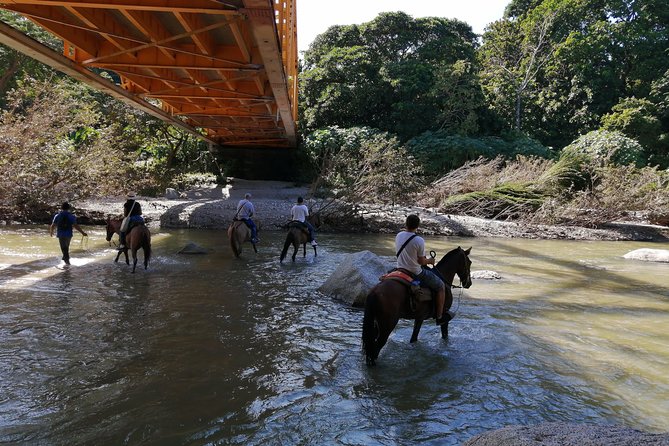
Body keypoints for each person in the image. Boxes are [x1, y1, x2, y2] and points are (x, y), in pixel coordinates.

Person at [395, 214, 452, 325]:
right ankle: (440, 316)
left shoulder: (399, 235)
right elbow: (421, 262)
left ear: (406, 224)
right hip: (415, 272)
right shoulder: (419, 240)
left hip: (400, 269)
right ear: (417, 226)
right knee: (441, 286)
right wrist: (430, 261)